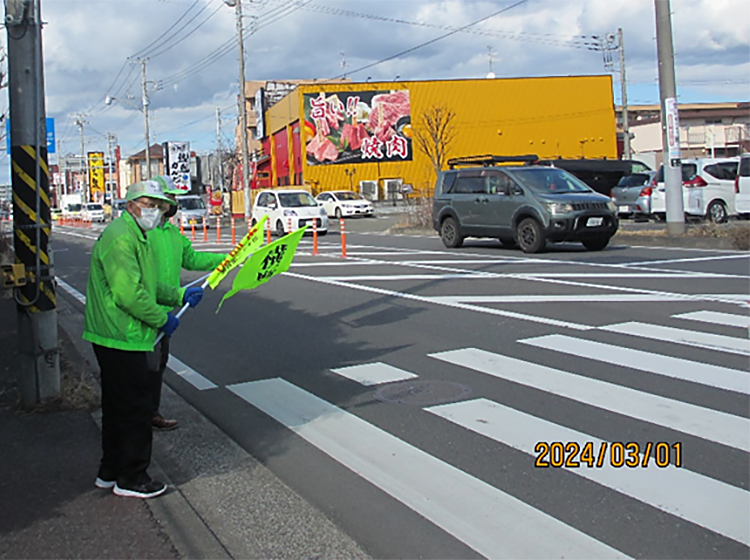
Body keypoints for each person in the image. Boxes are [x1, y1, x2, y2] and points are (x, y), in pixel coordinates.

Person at [83, 180, 204, 499]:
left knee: (117, 407)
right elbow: (129, 295)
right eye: (151, 205)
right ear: (132, 204)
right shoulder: (122, 239)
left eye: (160, 206)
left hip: (119, 335)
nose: (157, 212)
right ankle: (132, 477)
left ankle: (110, 471)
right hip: (122, 335)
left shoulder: (138, 236)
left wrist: (179, 294)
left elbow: (148, 286)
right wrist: (162, 318)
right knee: (136, 408)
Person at [146, 175, 227, 431]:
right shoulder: (142, 233)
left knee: (158, 364)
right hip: (141, 310)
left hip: (165, 310)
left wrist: (228, 259)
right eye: (170, 198)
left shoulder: (171, 232)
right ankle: (137, 416)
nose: (173, 203)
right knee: (140, 368)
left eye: (174, 199)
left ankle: (151, 413)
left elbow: (191, 259)